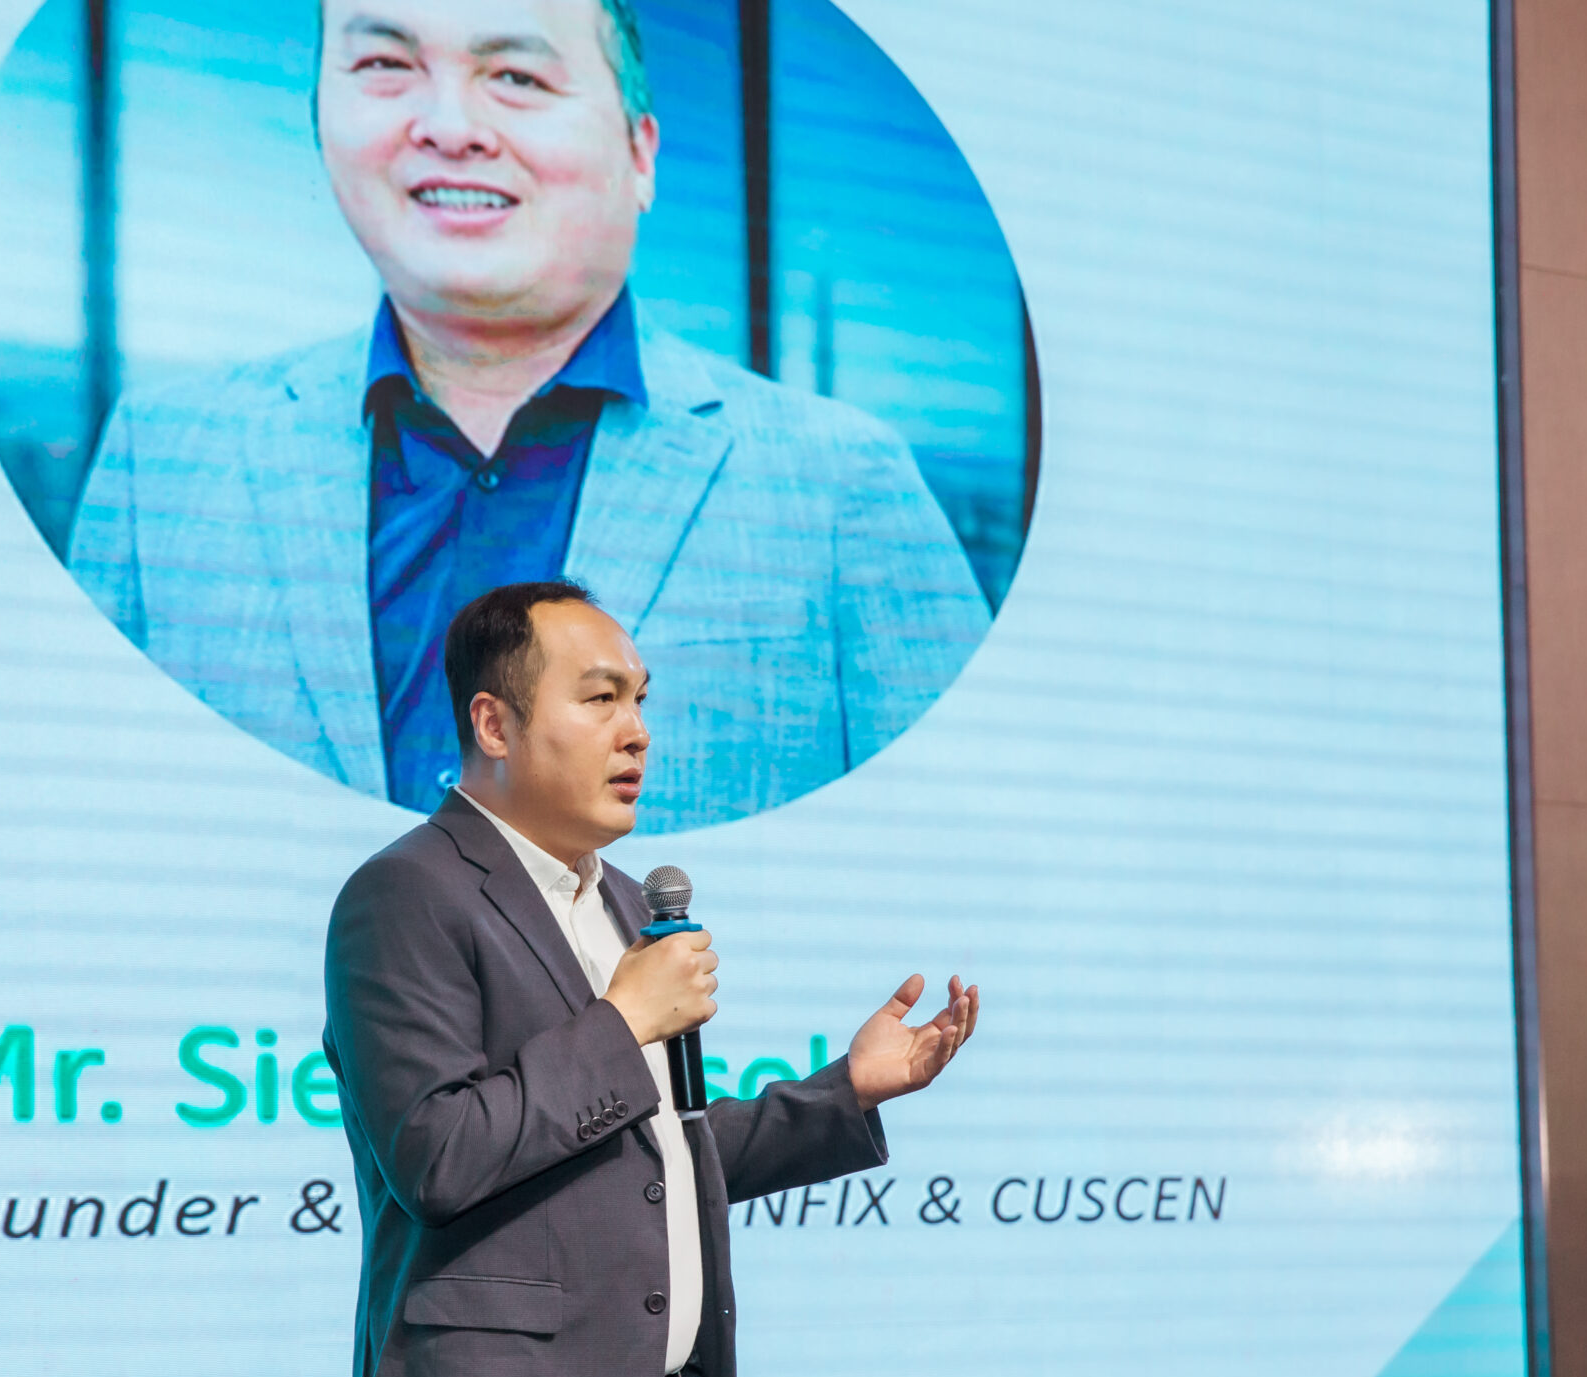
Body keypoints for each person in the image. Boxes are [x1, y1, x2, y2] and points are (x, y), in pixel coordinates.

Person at [68, 0, 992, 834]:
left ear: (640, 154)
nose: (448, 127)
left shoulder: (841, 487)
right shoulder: (164, 463)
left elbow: (961, 848)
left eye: (515, 75)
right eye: (385, 65)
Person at [322, 581, 978, 1377]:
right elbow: (437, 1151)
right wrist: (623, 1020)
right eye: (600, 698)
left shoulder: (626, 904)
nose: (636, 731)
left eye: (641, 699)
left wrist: (847, 1092)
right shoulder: (406, 895)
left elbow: (663, 1155)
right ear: (494, 723)